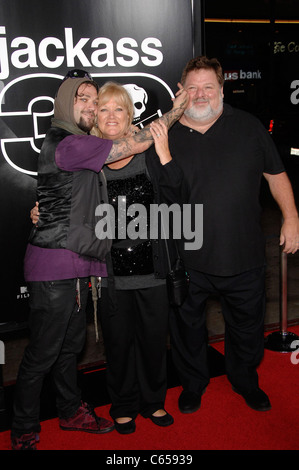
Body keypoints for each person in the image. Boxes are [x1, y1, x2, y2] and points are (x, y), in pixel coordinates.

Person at [11, 70, 188, 450]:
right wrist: (176, 111)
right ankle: (24, 426)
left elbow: (176, 203)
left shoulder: (81, 146)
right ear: (65, 103)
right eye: (88, 101)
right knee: (47, 350)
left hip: (89, 267)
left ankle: (72, 409)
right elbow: (127, 148)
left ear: (128, 112)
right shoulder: (74, 145)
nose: (98, 110)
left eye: (107, 104)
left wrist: (49, 208)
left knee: (71, 348)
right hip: (67, 266)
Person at [167, 56, 299, 414]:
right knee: (187, 330)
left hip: (244, 256)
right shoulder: (167, 134)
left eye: (208, 86)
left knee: (246, 328)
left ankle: (244, 381)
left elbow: (276, 174)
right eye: (192, 87)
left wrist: (291, 218)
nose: (200, 94)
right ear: (180, 91)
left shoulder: (249, 127)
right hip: (188, 257)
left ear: (221, 90)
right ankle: (193, 385)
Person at [93, 82, 183, 434]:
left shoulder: (147, 153)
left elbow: (178, 196)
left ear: (130, 115)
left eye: (119, 109)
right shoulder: (90, 160)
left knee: (152, 341)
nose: (112, 115)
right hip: (112, 274)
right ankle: (123, 405)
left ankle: (154, 402)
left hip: (154, 271)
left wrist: (163, 151)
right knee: (117, 344)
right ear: (95, 117)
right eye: (104, 109)